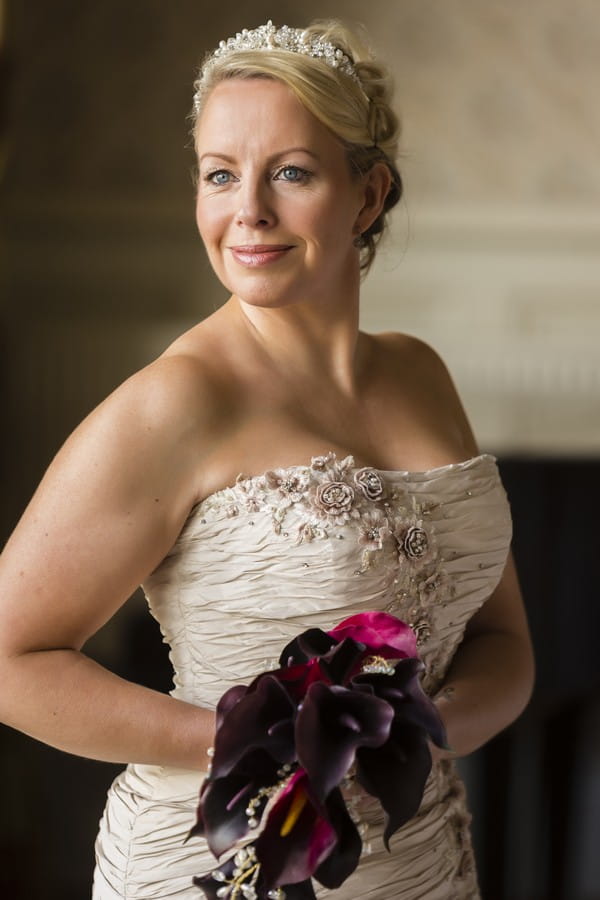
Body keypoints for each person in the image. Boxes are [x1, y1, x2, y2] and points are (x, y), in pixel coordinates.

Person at [0, 18, 534, 900]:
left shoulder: (421, 374)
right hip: (221, 866)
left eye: (290, 172)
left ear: (368, 196)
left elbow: (504, 641)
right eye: (219, 175)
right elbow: (11, 659)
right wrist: (256, 739)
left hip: (425, 864)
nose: (246, 210)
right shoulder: (175, 403)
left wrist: (426, 730)